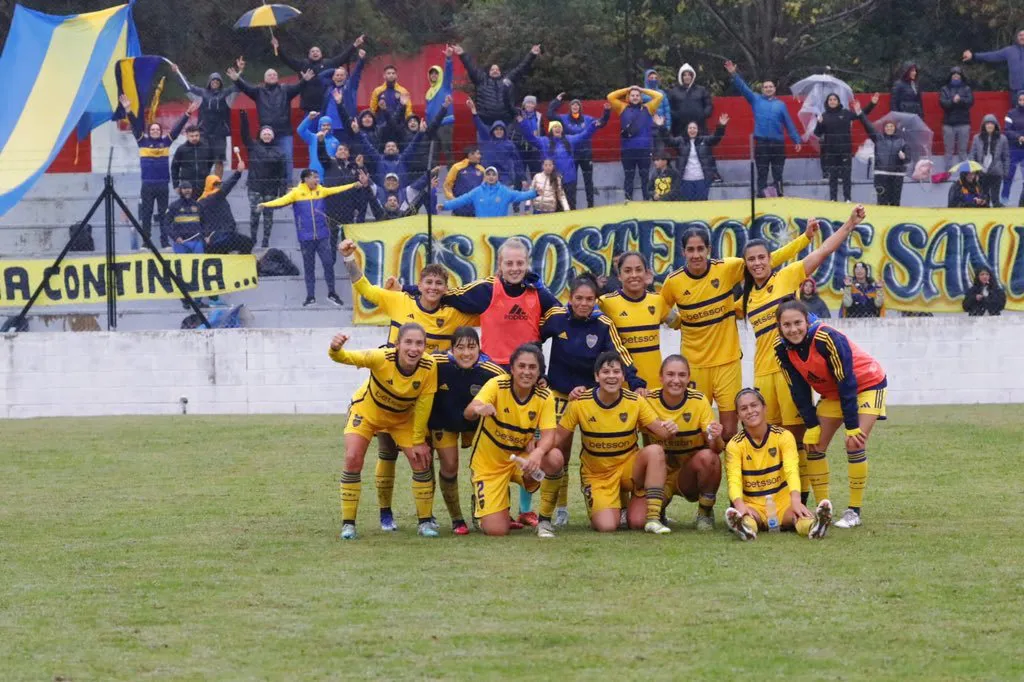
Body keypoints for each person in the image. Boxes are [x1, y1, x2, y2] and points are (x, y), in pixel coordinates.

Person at [338, 240, 479, 532]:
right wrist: (349, 257)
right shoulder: (399, 300)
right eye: (428, 282)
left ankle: (426, 518)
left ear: (445, 287)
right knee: (386, 452)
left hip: (425, 396)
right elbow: (363, 288)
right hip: (387, 390)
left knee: (421, 454)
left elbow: (490, 313)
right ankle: (385, 513)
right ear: (420, 284)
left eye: (439, 283)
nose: (433, 288)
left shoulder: (454, 315)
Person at [741, 207, 865, 503]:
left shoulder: (786, 277)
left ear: (771, 259)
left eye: (762, 257)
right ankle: (779, 495)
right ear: (745, 265)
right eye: (751, 259)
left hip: (788, 373)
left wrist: (848, 224)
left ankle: (804, 499)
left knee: (798, 439)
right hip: (761, 375)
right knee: (771, 438)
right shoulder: (747, 297)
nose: (757, 263)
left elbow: (822, 251)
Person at [660, 226, 810, 442]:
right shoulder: (673, 282)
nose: (696, 255)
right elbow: (657, 306)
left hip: (727, 363)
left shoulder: (726, 268)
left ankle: (733, 475)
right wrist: (676, 322)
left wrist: (804, 238)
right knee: (695, 432)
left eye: (700, 248)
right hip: (694, 365)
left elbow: (769, 260)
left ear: (709, 249)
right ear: (683, 252)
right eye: (690, 250)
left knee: (729, 431)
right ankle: (703, 473)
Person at [539, 274, 645, 526]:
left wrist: (636, 382)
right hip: (560, 394)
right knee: (558, 452)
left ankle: (618, 503)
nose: (584, 303)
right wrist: (539, 376)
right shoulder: (555, 317)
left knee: (608, 446)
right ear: (570, 298)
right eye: (579, 298)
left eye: (589, 299)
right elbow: (533, 340)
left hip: (591, 398)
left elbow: (620, 353)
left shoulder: (603, 324)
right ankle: (560, 508)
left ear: (596, 301)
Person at [775, 299, 888, 530]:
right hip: (833, 393)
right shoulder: (781, 350)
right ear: (779, 327)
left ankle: (854, 511)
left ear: (807, 321)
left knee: (854, 442)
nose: (793, 329)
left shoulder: (827, 338)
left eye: (798, 322)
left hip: (867, 385)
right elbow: (798, 389)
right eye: (787, 325)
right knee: (814, 446)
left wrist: (851, 424)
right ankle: (822, 509)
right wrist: (811, 424)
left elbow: (846, 380)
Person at [329, 325, 439, 540]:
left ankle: (425, 522)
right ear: (397, 345)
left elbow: (425, 404)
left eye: (419, 343)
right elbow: (344, 357)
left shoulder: (429, 366)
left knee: (420, 460)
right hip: (367, 412)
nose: (413, 348)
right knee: (352, 458)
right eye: (408, 342)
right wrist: (335, 349)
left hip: (401, 419)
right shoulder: (381, 357)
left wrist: (418, 440)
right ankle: (348, 524)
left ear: (425, 346)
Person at [555, 351, 675, 534]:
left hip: (628, 468)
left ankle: (652, 518)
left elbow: (662, 432)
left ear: (623, 376)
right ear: (596, 376)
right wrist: (535, 444)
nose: (611, 376)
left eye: (616, 372)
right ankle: (618, 506)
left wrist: (672, 427)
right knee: (607, 526)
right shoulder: (580, 402)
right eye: (605, 372)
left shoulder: (635, 401)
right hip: (598, 475)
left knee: (655, 451)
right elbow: (557, 437)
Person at [462, 344, 566, 538]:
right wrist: (478, 409)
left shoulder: (545, 396)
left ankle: (544, 520)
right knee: (496, 531)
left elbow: (549, 435)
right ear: (512, 368)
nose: (526, 372)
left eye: (532, 367)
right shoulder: (497, 384)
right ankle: (488, 503)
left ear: (539, 371)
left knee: (555, 458)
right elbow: (469, 410)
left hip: (519, 460)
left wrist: (537, 453)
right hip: (489, 464)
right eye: (522, 366)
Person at [723, 388, 833, 541]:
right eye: (744, 408)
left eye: (754, 405)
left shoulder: (783, 436)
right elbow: (733, 479)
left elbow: (791, 470)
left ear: (764, 408)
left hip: (782, 502)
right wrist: (739, 504)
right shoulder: (734, 445)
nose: (750, 411)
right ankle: (744, 528)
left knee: (798, 516)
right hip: (754, 504)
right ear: (738, 415)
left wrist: (796, 500)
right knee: (749, 517)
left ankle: (816, 526)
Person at [427, 327, 506, 536]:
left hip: (477, 424)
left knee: (489, 466)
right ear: (451, 349)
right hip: (443, 421)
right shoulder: (436, 362)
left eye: (472, 347)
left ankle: (485, 509)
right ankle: (456, 519)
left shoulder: (492, 371)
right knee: (450, 466)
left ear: (480, 349)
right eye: (460, 347)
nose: (466, 353)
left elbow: (512, 387)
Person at [259, 169, 366, 307]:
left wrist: (352, 185)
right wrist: (265, 205)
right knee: (309, 267)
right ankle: (310, 297)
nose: (317, 180)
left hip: (322, 236)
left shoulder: (321, 190)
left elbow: (337, 189)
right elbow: (280, 201)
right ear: (306, 179)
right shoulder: (296, 193)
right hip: (305, 238)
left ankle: (332, 293)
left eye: (317, 177)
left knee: (328, 264)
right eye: (314, 177)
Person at [644, 355, 724, 531]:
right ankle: (658, 510)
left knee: (709, 457)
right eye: (670, 374)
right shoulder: (648, 400)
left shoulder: (698, 400)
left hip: (687, 476)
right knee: (637, 520)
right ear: (661, 377)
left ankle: (705, 512)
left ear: (689, 378)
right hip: (659, 476)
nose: (676, 380)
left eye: (681, 375)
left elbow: (716, 450)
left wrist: (716, 436)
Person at [598, 251, 680, 390]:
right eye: (628, 271)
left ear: (647, 274)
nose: (634, 275)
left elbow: (680, 323)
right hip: (622, 386)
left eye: (638, 270)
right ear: (619, 275)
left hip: (654, 386)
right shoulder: (605, 303)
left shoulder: (657, 301)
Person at [121, 95, 192, 248]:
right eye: (152, 129)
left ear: (160, 131)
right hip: (147, 185)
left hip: (162, 185)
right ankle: (146, 243)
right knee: (146, 215)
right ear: (149, 131)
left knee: (164, 215)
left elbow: (177, 128)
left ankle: (164, 242)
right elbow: (134, 124)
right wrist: (128, 109)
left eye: (157, 129)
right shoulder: (142, 141)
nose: (154, 131)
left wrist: (187, 114)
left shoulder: (166, 142)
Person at [724, 60, 802, 197]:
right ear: (762, 90)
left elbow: (789, 123)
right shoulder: (756, 99)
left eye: (770, 87)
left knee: (778, 173)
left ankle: (779, 196)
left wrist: (797, 140)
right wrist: (733, 74)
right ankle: (760, 197)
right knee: (762, 172)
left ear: (774, 89)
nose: (768, 89)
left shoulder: (781, 105)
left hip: (778, 144)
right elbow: (743, 88)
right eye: (765, 87)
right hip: (762, 144)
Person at [226, 58, 305, 176]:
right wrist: (237, 79)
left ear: (277, 77)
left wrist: (305, 80)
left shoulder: (286, 90)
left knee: (287, 158)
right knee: (265, 160)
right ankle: (267, 184)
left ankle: (288, 185)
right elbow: (246, 87)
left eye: (274, 74)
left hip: (284, 132)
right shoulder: (258, 91)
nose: (272, 76)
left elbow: (299, 87)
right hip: (265, 134)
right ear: (264, 78)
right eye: (269, 75)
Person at [518, 109, 604, 208]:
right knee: (553, 208)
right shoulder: (543, 141)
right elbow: (530, 137)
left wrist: (593, 126)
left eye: (559, 127)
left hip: (569, 181)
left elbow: (584, 135)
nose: (558, 128)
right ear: (550, 130)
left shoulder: (569, 139)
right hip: (551, 182)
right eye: (555, 127)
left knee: (570, 207)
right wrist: (522, 122)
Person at [272, 34, 364, 115]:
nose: (315, 53)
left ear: (321, 54)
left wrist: (354, 45)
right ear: (309, 55)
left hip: (326, 106)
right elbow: (288, 60)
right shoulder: (303, 64)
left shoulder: (328, 63)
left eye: (317, 51)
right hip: (309, 108)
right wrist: (278, 47)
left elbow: (343, 57)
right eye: (312, 51)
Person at [547, 93, 611, 208]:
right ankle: (572, 206)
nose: (575, 107)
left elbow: (601, 123)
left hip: (586, 154)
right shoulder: (564, 118)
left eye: (577, 105)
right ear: (570, 107)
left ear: (580, 108)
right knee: (572, 182)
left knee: (588, 181)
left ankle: (590, 205)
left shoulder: (587, 119)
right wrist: (556, 101)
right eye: (573, 105)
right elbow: (550, 114)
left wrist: (606, 112)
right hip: (571, 156)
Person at [172, 65, 238, 176]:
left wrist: (239, 73)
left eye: (217, 80)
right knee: (203, 160)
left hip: (220, 134)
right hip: (203, 133)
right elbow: (187, 86)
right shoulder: (201, 94)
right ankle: (203, 184)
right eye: (213, 80)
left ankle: (217, 185)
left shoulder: (226, 95)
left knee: (219, 161)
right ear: (209, 82)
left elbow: (237, 87)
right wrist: (177, 73)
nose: (215, 82)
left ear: (221, 83)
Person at [454, 44, 541, 125]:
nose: (495, 71)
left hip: (506, 122)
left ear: (500, 72)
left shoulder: (507, 80)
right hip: (485, 122)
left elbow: (521, 68)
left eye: (497, 69)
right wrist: (462, 54)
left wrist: (532, 54)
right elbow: (471, 67)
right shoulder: (482, 80)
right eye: (492, 69)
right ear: (489, 72)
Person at [607, 85, 664, 200]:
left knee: (645, 178)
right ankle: (628, 201)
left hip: (645, 150)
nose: (635, 97)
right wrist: (628, 89)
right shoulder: (622, 107)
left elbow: (659, 96)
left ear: (641, 97)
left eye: (637, 95)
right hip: (627, 150)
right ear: (628, 97)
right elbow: (610, 97)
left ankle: (646, 201)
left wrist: (642, 90)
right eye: (632, 95)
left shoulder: (649, 108)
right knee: (629, 177)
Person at [239, 111, 287, 248]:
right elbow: (244, 134)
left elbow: (283, 173)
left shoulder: (279, 151)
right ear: (260, 135)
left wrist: (282, 190)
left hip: (271, 189)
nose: (267, 135)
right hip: (255, 188)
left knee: (268, 217)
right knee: (254, 215)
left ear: (273, 136)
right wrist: (244, 118)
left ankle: (265, 241)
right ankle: (253, 239)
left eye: (269, 133)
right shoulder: (253, 146)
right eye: (264, 133)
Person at [654, 113, 728, 201]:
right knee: (687, 205)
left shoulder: (705, 140)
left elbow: (716, 138)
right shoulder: (680, 141)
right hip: (685, 180)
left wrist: (721, 126)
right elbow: (669, 140)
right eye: (690, 128)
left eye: (694, 128)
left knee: (702, 204)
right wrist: (661, 127)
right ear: (687, 130)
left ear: (698, 130)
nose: (692, 130)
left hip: (702, 179)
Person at [817, 95, 877, 202]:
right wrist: (819, 123)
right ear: (827, 102)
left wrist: (872, 104)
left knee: (846, 175)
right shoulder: (824, 115)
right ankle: (833, 199)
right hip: (830, 151)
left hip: (845, 150)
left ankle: (847, 198)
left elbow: (861, 115)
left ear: (838, 101)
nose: (832, 101)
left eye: (835, 99)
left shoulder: (846, 113)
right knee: (833, 176)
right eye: (830, 100)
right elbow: (817, 133)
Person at [467, 99, 525, 192]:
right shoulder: (487, 139)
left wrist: (523, 178)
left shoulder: (509, 144)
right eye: (496, 129)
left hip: (504, 179)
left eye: (501, 129)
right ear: (493, 131)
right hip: (487, 176)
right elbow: (480, 125)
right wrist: (474, 111)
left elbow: (517, 162)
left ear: (504, 131)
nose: (499, 131)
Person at [198, 165, 254, 257]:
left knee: (245, 243)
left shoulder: (201, 201)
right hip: (220, 236)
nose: (218, 186)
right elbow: (228, 185)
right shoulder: (216, 196)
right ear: (209, 185)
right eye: (215, 184)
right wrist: (238, 172)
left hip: (221, 235)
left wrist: (205, 236)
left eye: (219, 184)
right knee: (248, 242)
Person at [437, 166, 537, 217]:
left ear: (497, 177)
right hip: (481, 230)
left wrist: (535, 192)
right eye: (488, 174)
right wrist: (446, 206)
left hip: (499, 229)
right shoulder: (477, 192)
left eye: (493, 175)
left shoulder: (505, 191)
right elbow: (461, 200)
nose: (491, 177)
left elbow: (521, 195)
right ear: (485, 177)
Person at [963, 30, 1024, 107]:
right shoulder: (1010, 51)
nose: (1022, 37)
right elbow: (992, 56)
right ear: (1016, 37)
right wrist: (974, 56)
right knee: (1016, 115)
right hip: (1015, 90)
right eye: (1020, 35)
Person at [861, 117, 908, 206]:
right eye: (887, 126)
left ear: (895, 128)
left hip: (897, 175)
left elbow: (908, 158)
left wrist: (904, 157)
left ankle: (895, 219)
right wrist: (860, 114)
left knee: (895, 201)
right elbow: (869, 127)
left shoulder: (902, 141)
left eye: (891, 126)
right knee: (882, 200)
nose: (889, 128)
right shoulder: (878, 138)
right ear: (884, 128)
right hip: (881, 174)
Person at [321, 51, 366, 140]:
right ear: (333, 78)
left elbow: (356, 74)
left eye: (342, 75)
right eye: (337, 75)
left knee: (345, 152)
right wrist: (334, 69)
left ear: (346, 77)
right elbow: (320, 76)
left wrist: (361, 60)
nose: (339, 77)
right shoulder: (329, 88)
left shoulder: (350, 87)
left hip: (345, 127)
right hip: (328, 128)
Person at [970, 115, 1010, 207]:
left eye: (992, 123)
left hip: (996, 172)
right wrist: (974, 170)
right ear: (984, 125)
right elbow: (972, 154)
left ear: (995, 125)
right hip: (981, 172)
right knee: (983, 200)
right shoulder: (977, 138)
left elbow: (1006, 157)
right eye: (987, 123)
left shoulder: (1002, 138)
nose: (989, 126)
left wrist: (1005, 171)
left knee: (995, 199)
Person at [939, 67, 975, 170]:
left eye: (958, 74)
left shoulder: (967, 88)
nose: (955, 75)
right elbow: (943, 103)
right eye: (953, 74)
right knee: (948, 151)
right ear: (950, 76)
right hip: (948, 123)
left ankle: (964, 173)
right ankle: (947, 173)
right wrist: (953, 101)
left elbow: (970, 102)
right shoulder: (944, 89)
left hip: (963, 122)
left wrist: (960, 100)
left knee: (963, 151)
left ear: (961, 76)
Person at [425, 46, 456, 164]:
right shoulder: (429, 91)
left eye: (436, 73)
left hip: (445, 124)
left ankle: (453, 180)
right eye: (431, 74)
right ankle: (433, 180)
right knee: (433, 155)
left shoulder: (445, 86)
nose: (433, 75)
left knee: (448, 152)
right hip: (433, 126)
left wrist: (448, 58)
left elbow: (448, 72)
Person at [171, 123, 215, 199]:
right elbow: (174, 168)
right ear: (187, 136)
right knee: (187, 210)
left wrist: (205, 173)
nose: (194, 138)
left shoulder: (206, 148)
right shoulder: (181, 149)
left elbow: (210, 163)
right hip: (187, 187)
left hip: (204, 186)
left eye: (196, 135)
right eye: (192, 136)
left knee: (204, 209)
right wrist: (176, 185)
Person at [668, 63, 713, 136]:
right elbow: (669, 108)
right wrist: (677, 116)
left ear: (692, 76)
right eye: (684, 75)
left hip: (699, 128)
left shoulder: (701, 90)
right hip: (680, 129)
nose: (687, 77)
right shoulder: (673, 92)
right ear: (681, 76)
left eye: (689, 75)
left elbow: (709, 105)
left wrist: (703, 115)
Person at [443, 146, 485, 216]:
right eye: (478, 154)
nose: (480, 156)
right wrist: (454, 201)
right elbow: (447, 185)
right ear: (470, 155)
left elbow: (484, 188)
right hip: (458, 210)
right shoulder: (456, 167)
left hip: (476, 211)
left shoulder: (482, 170)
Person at [163, 182, 203, 254]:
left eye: (189, 189)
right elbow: (166, 224)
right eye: (185, 189)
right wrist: (175, 237)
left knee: (198, 263)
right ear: (180, 191)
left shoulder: (198, 205)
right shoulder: (174, 206)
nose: (187, 191)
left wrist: (204, 235)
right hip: (181, 242)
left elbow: (204, 222)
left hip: (197, 242)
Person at [296, 112, 338, 177]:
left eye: (328, 125)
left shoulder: (335, 141)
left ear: (331, 126)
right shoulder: (312, 137)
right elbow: (300, 130)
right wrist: (309, 118)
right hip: (313, 174)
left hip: (328, 175)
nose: (326, 127)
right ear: (319, 126)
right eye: (323, 125)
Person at [1001, 90, 1024, 205]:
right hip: (1014, 149)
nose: (1022, 102)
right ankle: (1004, 201)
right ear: (1017, 100)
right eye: (1020, 99)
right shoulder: (1011, 113)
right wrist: (1018, 137)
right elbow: (1007, 130)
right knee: (1009, 176)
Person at [643, 69, 672, 139]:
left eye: (656, 78)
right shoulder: (642, 94)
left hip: (660, 127)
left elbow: (667, 110)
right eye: (651, 78)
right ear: (647, 79)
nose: (654, 80)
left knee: (660, 149)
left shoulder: (662, 93)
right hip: (647, 128)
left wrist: (668, 127)